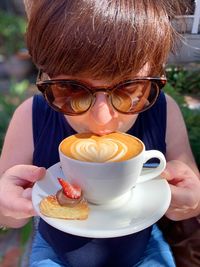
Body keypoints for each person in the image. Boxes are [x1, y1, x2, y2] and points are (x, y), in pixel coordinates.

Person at [0, 0, 200, 266]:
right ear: (45, 76)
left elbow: (192, 195)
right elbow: (9, 215)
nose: (102, 119)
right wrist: (8, 208)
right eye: (71, 90)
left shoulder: (165, 112)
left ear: (154, 74)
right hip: (54, 253)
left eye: (130, 90)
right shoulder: (30, 118)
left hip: (144, 249)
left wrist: (190, 201)